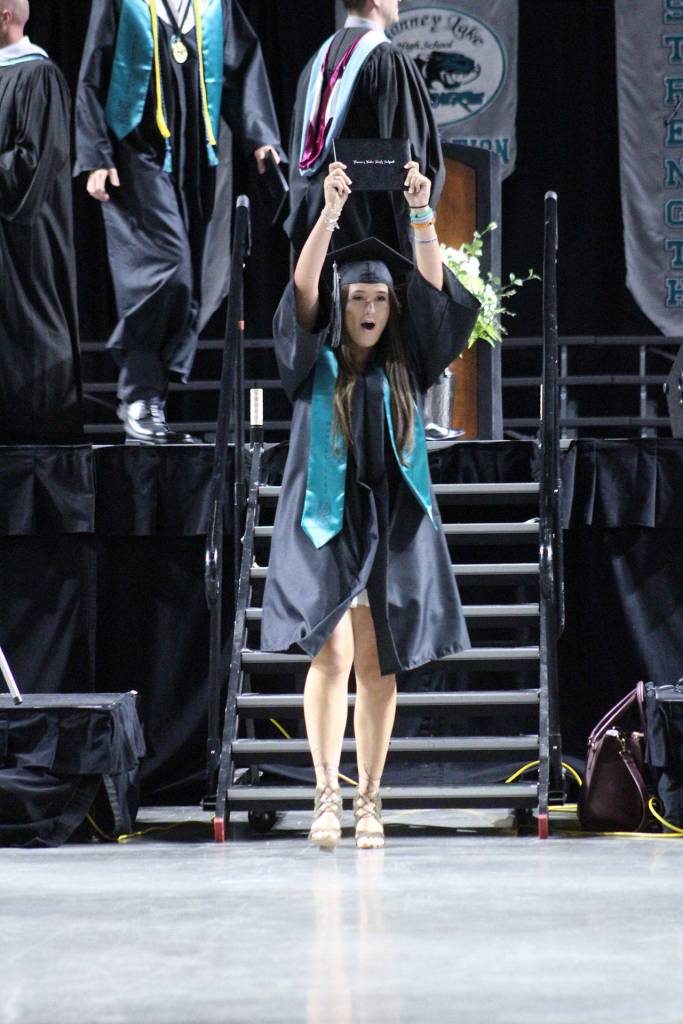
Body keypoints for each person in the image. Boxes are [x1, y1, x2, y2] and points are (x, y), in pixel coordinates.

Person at [261, 160, 479, 850]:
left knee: (378, 662)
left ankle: (369, 798)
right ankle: (325, 794)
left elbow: (437, 299)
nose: (367, 311)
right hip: (321, 523)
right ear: (341, 304)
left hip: (390, 519)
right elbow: (300, 291)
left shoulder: (408, 361)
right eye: (356, 299)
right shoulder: (310, 364)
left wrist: (421, 214)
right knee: (328, 654)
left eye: (378, 301)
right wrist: (327, 212)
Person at [74, 0, 283, 444]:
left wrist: (260, 135)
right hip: (134, 154)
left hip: (194, 162)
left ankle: (150, 403)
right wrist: (95, 154)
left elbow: (241, 66)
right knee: (169, 272)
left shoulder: (213, 5)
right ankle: (137, 397)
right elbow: (93, 71)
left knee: (190, 286)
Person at [285, 0, 443, 259]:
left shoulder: (318, 61)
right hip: (371, 237)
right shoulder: (387, 60)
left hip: (319, 229)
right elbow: (413, 156)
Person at [0, 0, 83, 443]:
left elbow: (33, 164)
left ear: (5, 15)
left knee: (28, 332)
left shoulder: (39, 75)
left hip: (24, 244)